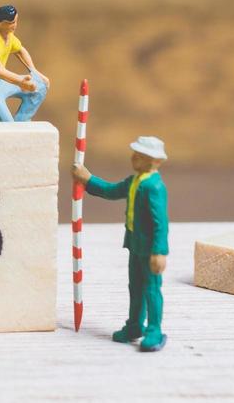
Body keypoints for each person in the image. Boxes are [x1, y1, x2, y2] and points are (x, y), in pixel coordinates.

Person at [72, 136, 170, 352]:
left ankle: (154, 329)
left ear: (156, 162)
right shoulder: (134, 181)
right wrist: (87, 180)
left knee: (152, 290)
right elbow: (111, 191)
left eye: (141, 156)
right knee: (135, 288)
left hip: (150, 250)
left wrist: (160, 252)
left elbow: (160, 223)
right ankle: (134, 325)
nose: (134, 158)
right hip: (135, 246)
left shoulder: (154, 187)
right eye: (135, 154)